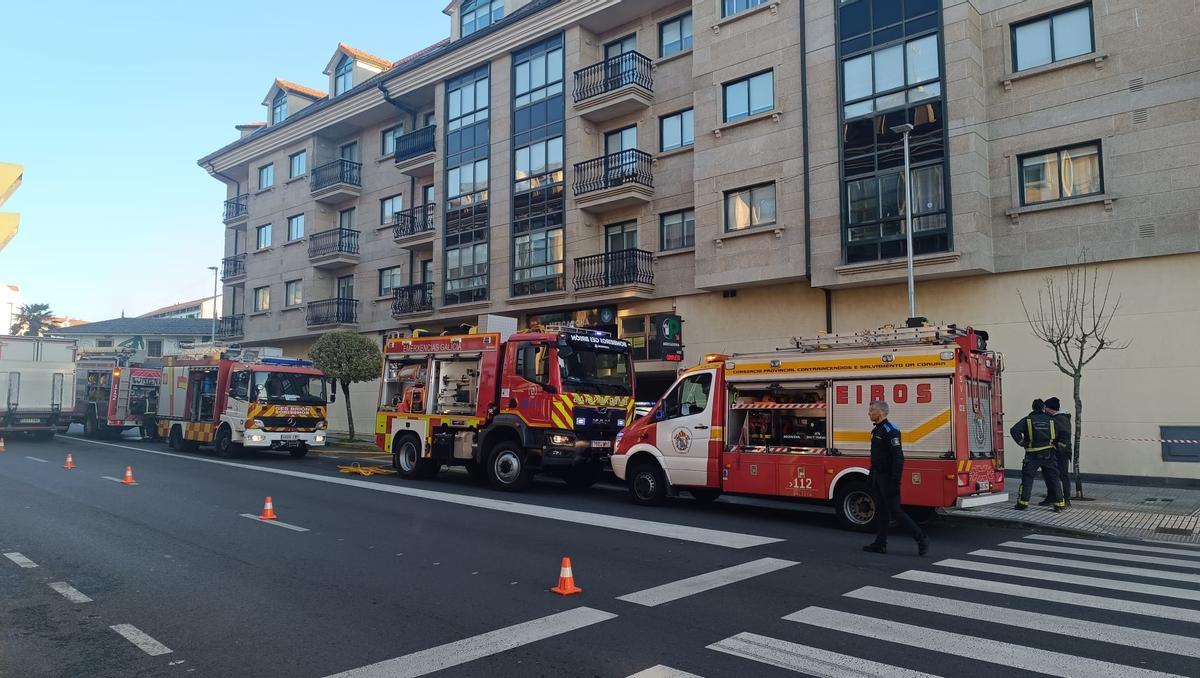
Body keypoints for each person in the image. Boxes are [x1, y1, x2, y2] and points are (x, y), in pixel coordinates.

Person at [863, 400, 929, 556]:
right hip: (878, 475)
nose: (869, 413)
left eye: (872, 410)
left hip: (888, 478)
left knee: (896, 511)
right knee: (881, 511)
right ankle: (880, 544)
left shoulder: (891, 430)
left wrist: (895, 481)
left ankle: (921, 539)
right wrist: (872, 473)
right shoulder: (876, 430)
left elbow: (898, 458)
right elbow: (878, 456)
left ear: (881, 412)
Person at [1010, 399, 1065, 511]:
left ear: (1033, 408)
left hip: (1032, 455)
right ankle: (1059, 504)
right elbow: (1063, 433)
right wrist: (1057, 446)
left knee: (1027, 479)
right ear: (1043, 408)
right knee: (1054, 479)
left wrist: (1022, 443)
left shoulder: (1027, 420)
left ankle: (1023, 503)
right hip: (1048, 454)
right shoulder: (1052, 420)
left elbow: (1014, 430)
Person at [1042, 397, 1073, 506]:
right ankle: (1053, 497)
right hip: (1059, 451)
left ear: (1050, 408)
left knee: (1063, 475)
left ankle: (1066, 499)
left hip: (1062, 452)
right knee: (1051, 474)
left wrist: (1056, 446)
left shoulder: (1060, 419)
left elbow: (1065, 436)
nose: (1044, 410)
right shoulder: (1058, 417)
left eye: (1045, 408)